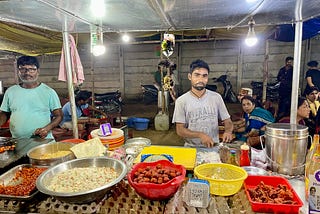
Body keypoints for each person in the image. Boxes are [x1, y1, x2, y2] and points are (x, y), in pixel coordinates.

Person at [172, 59, 233, 148]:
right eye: (197, 75)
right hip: (191, 147)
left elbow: (228, 121)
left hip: (213, 147)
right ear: (190, 76)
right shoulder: (181, 101)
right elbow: (180, 130)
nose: (201, 79)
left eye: (204, 76)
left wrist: (228, 131)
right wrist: (200, 135)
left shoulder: (216, 97)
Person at [0, 55, 63, 139]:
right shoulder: (10, 92)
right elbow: (5, 113)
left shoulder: (49, 92)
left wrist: (46, 129)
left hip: (42, 140)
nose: (27, 73)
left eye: (32, 69)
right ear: (18, 71)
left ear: (38, 71)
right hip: (17, 141)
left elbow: (59, 116)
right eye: (23, 69)